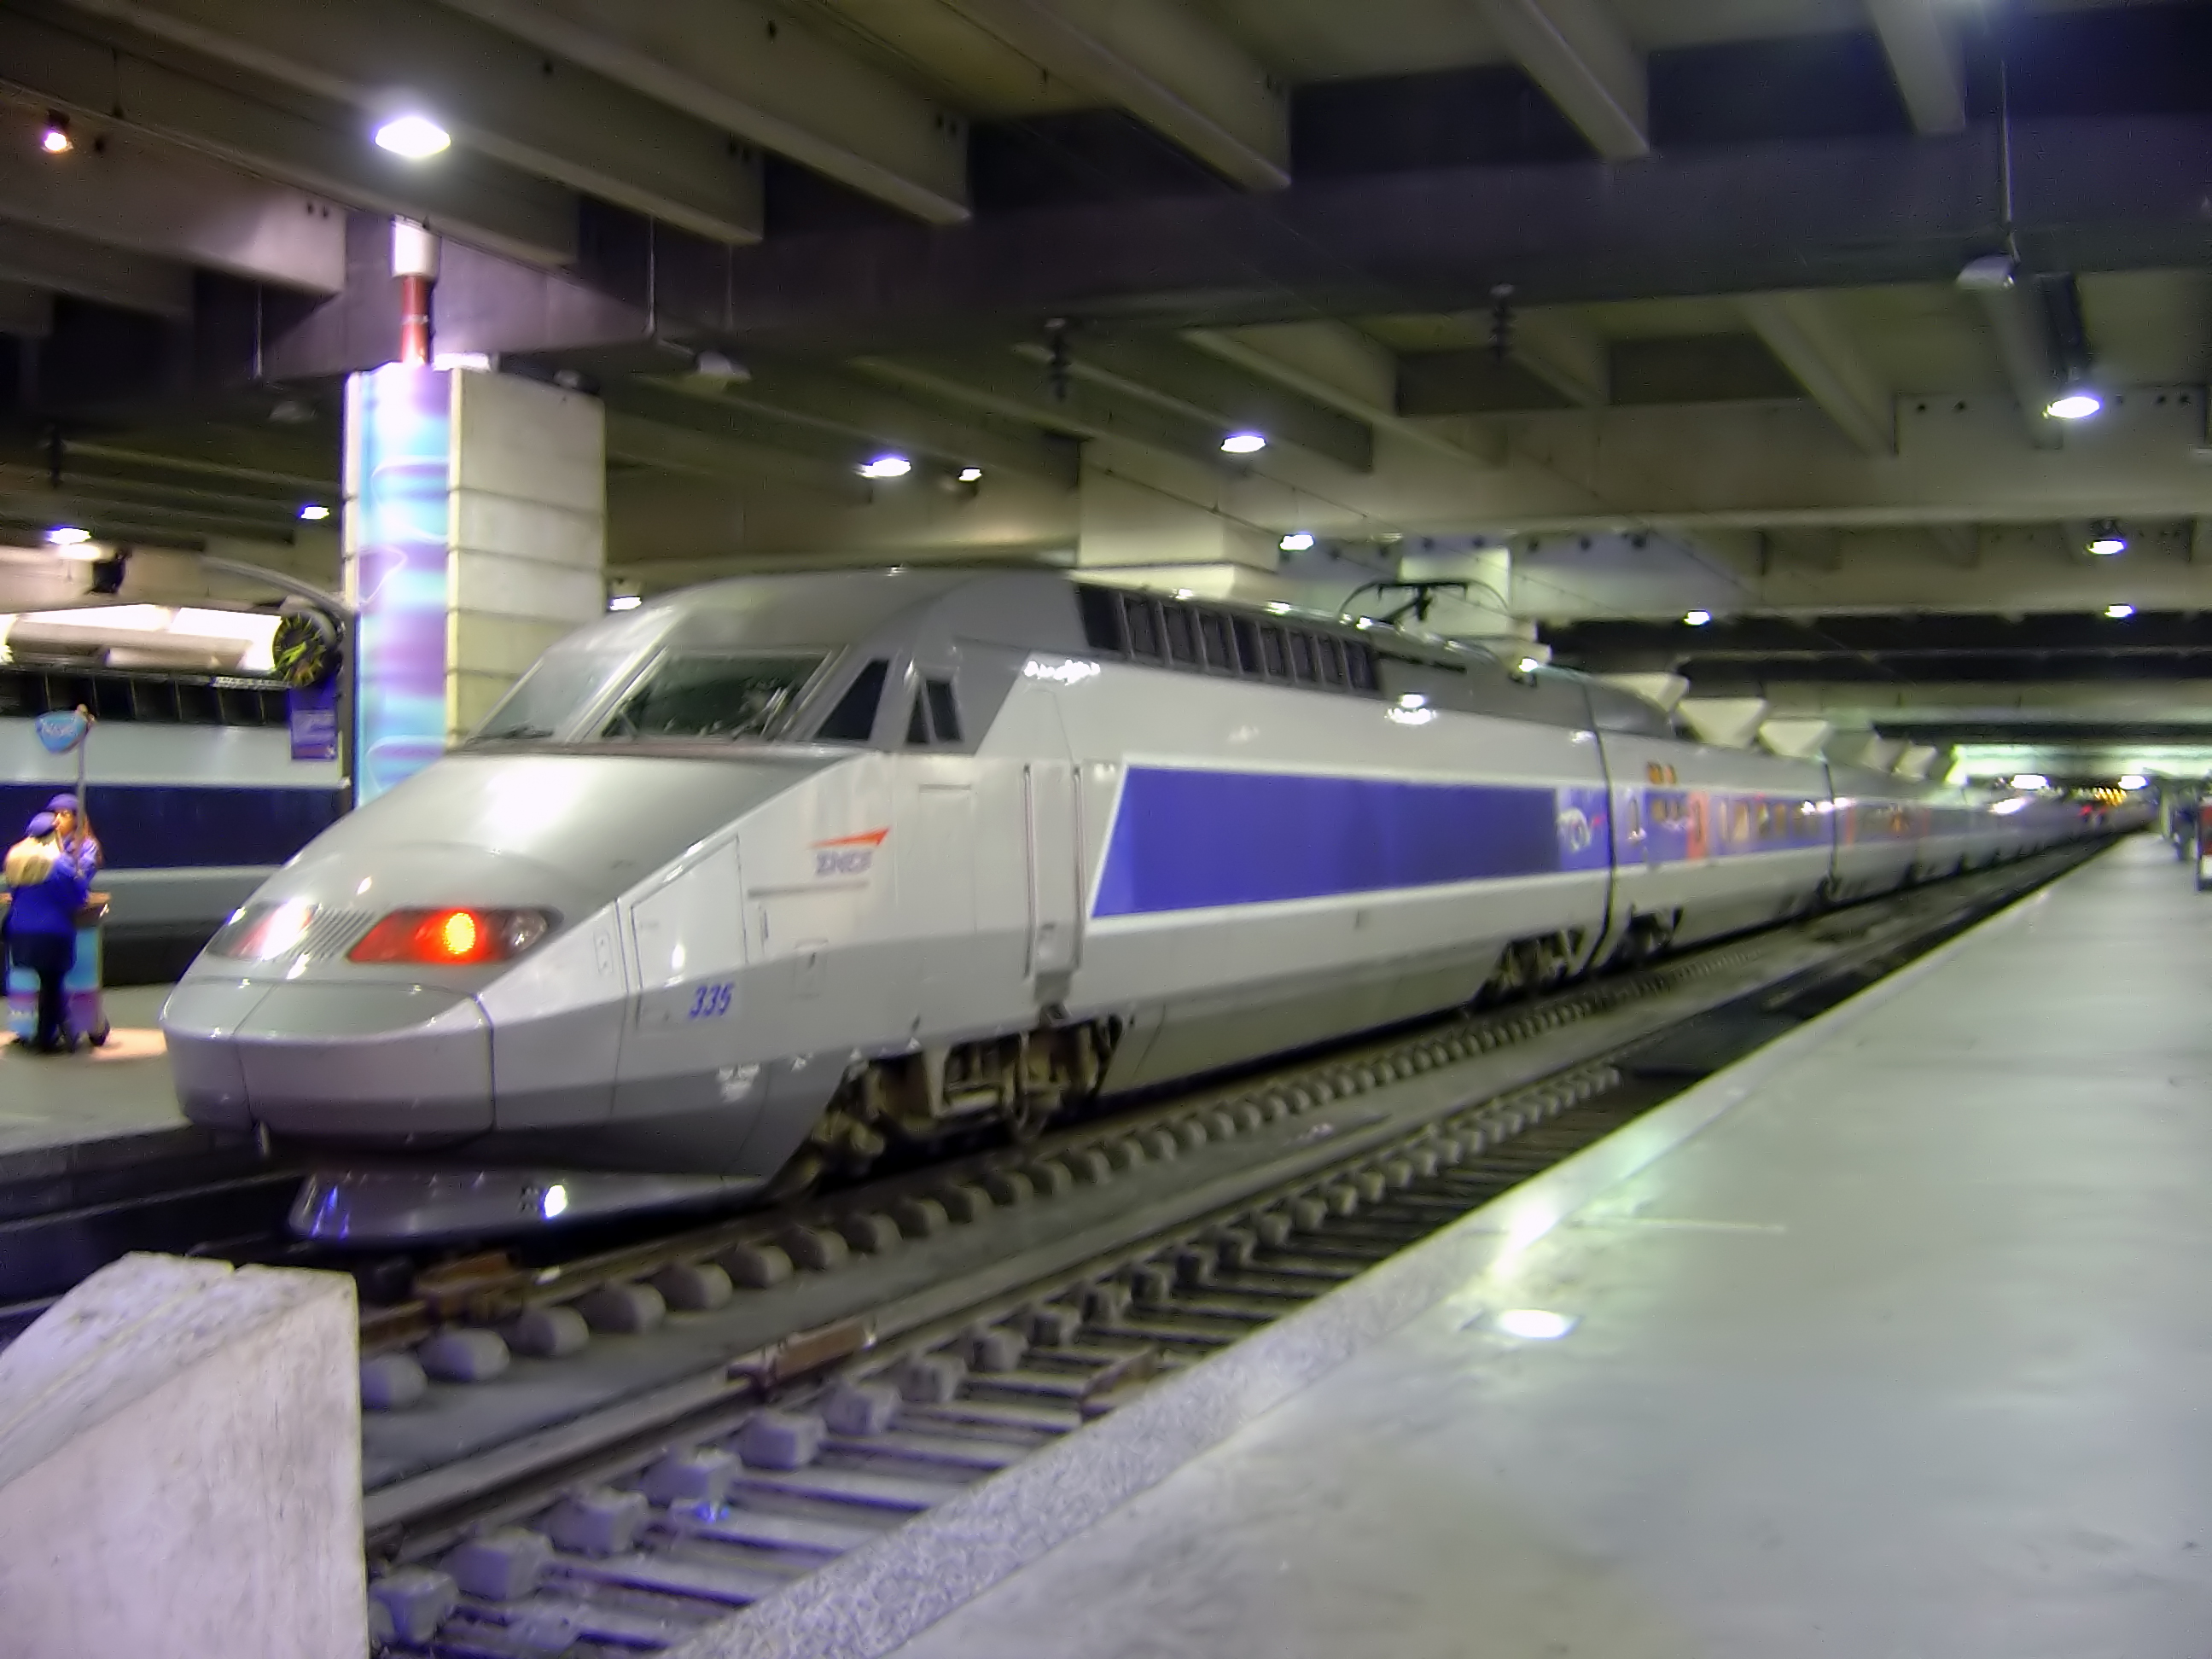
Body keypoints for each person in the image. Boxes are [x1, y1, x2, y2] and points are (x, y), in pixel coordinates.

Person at [4, 810, 90, 1052]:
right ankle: (47, 1039)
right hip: (52, 934)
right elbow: (77, 897)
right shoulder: (60, 865)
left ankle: (57, 1033)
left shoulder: (15, 861)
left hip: (20, 933)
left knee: (48, 984)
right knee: (53, 985)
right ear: (54, 835)